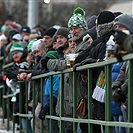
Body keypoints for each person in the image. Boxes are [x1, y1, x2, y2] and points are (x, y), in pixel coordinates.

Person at [112, 14, 133, 132]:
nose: (117, 31)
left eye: (121, 27)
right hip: (126, 102)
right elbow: (123, 71)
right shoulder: (124, 50)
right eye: (116, 27)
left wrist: (122, 90)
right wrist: (115, 88)